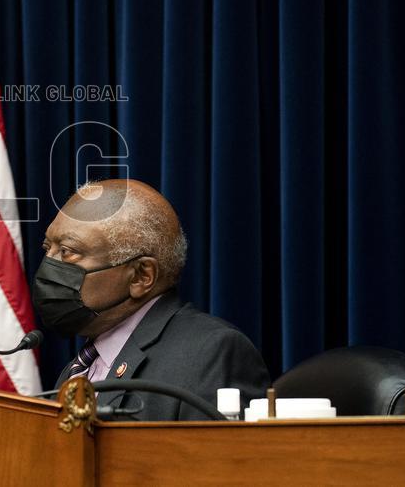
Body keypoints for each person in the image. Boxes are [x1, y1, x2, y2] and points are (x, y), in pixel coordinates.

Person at [32, 179, 269, 420]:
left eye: (67, 252)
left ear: (141, 276)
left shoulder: (210, 352)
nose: (49, 264)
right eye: (47, 248)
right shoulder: (80, 367)